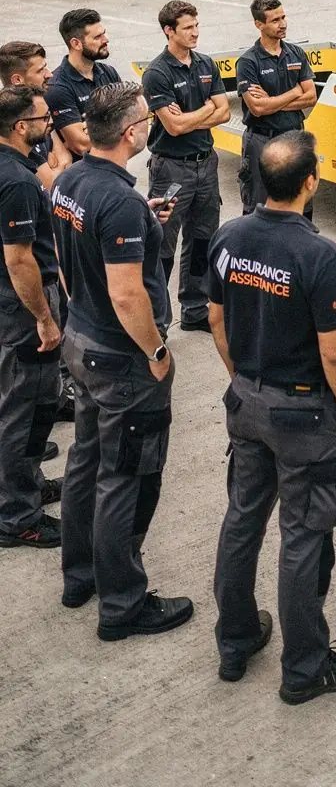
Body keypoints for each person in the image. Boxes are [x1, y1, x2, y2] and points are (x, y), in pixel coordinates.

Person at [208, 130, 336, 703]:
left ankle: (235, 640)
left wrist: (242, 379)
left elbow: (216, 318)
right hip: (302, 414)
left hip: (247, 403)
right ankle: (305, 669)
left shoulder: (229, 236)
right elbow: (335, 349)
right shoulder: (318, 255)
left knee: (242, 519)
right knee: (303, 537)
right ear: (311, 183)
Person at [54, 82, 193, 639]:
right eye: (146, 122)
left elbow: (68, 258)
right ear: (132, 133)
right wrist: (156, 352)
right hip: (122, 362)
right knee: (126, 478)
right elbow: (128, 294)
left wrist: (143, 220)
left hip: (81, 343)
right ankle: (122, 605)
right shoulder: (120, 202)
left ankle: (79, 577)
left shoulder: (69, 181)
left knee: (85, 462)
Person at [0, 88, 63, 549]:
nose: (50, 122)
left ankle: (29, 485)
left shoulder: (13, 168)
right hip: (24, 309)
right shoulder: (19, 182)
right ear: (22, 126)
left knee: (29, 405)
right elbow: (20, 259)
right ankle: (17, 517)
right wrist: (43, 317)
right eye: (44, 117)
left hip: (13, 304)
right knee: (25, 411)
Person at [143, 0, 230, 331]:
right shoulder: (157, 73)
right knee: (162, 244)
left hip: (206, 165)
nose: (195, 32)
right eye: (188, 27)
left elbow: (225, 111)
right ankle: (157, 322)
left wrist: (193, 116)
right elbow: (174, 127)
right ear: (169, 31)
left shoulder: (206, 63)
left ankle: (194, 310)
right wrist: (206, 110)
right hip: (171, 170)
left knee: (202, 240)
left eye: (196, 25)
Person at [236, 0, 317, 213]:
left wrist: (271, 101)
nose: (283, 24)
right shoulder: (248, 62)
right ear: (259, 24)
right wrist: (294, 92)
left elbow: (311, 97)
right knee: (258, 208)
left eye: (283, 17)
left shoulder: (296, 53)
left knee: (301, 205)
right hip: (262, 141)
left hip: (295, 138)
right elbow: (257, 108)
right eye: (275, 20)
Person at [46, 9, 121, 162]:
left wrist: (93, 125)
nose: (106, 39)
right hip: (84, 173)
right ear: (76, 43)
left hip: (116, 165)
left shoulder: (109, 73)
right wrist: (117, 123)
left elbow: (134, 118)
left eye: (104, 33)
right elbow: (81, 145)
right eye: (98, 37)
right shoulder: (57, 87)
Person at [0, 41, 72, 192]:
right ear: (17, 80)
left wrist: (56, 165)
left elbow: (66, 159)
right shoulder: (21, 125)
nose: (49, 74)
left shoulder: (39, 108)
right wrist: (55, 163)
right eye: (40, 70)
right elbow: (51, 184)